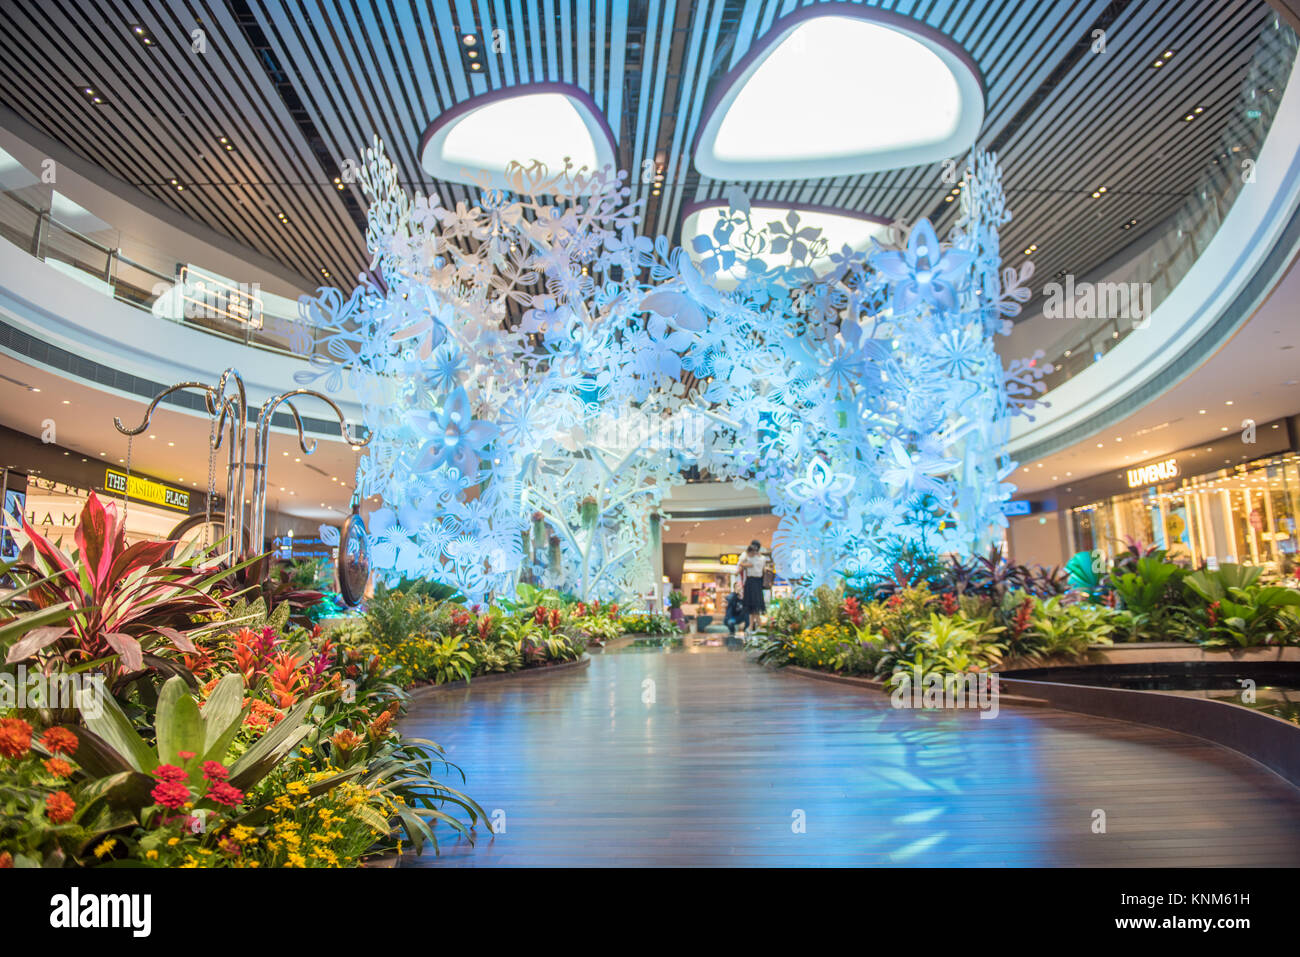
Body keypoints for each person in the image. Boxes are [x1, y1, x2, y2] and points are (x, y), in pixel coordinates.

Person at [734, 540, 768, 635]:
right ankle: (755, 626)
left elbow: (742, 565)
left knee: (754, 605)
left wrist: (743, 565)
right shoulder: (758, 558)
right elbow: (763, 570)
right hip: (755, 582)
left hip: (754, 582)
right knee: (753, 605)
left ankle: (754, 626)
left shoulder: (754, 558)